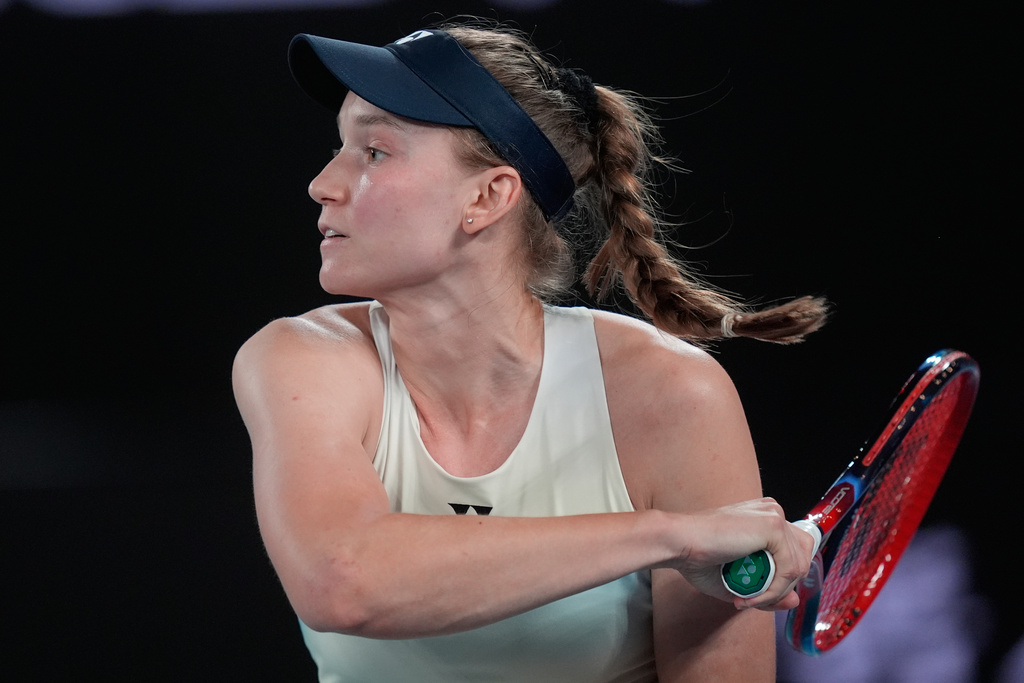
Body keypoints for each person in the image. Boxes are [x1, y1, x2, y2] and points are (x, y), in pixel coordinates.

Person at [232, 19, 828, 682]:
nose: (323, 183)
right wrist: (673, 536)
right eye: (339, 147)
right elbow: (340, 579)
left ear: (487, 197)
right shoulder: (298, 360)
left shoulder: (671, 394)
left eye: (373, 152)